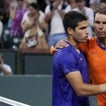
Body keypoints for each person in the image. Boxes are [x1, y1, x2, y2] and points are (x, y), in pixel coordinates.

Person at [51, 5, 106, 106]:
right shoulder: (86, 45)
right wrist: (54, 47)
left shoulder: (81, 47)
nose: (100, 27)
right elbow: (66, 49)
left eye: (104, 23)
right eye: (97, 22)